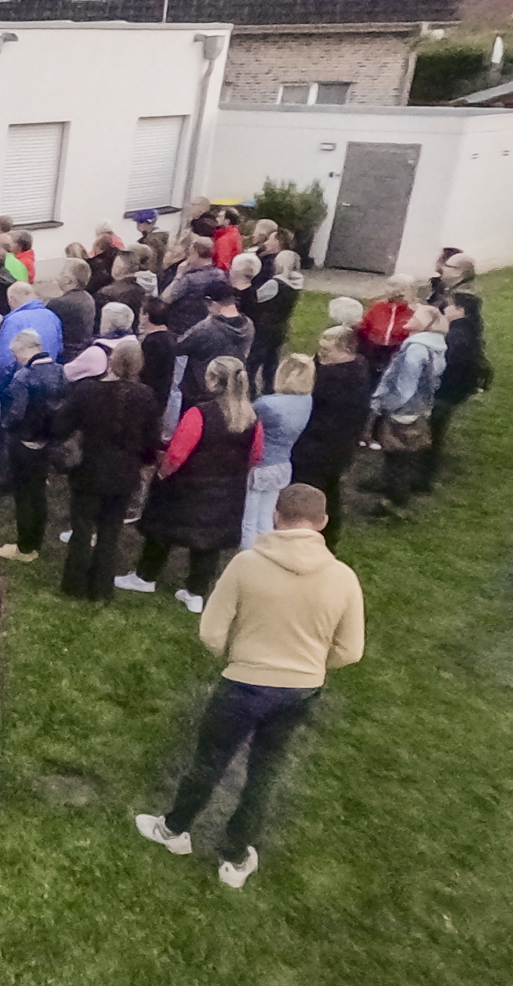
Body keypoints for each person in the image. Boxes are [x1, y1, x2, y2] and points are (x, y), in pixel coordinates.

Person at [134, 484, 364, 889]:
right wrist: (311, 666)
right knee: (265, 771)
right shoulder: (344, 578)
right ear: (323, 523)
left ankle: (174, 830)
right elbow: (350, 650)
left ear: (276, 516)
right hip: (301, 691)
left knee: (210, 760)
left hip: (242, 684)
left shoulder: (246, 565)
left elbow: (211, 632)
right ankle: (235, 856)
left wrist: (238, 656)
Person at [118, 356, 263, 612]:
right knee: (209, 542)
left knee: (161, 531)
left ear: (213, 381)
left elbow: (177, 453)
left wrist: (162, 474)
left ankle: (145, 577)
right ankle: (196, 592)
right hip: (228, 489)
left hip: (186, 485)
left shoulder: (200, 413)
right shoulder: (251, 417)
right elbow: (256, 455)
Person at [53, 343, 160, 600]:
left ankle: (74, 584)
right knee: (110, 532)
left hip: (89, 468)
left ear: (112, 361)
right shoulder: (146, 396)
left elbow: (61, 425)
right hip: (124, 473)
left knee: (82, 528)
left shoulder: (88, 391)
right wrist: (143, 462)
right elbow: (151, 440)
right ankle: (101, 587)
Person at [286, 327, 370, 550]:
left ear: (346, 350)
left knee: (307, 496)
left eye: (326, 351)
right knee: (331, 491)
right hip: (341, 448)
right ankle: (329, 536)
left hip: (317, 448)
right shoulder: (359, 367)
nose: (320, 356)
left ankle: (304, 539)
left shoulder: (334, 381)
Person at [0, 330, 67, 565]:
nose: (15, 358)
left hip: (24, 442)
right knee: (39, 493)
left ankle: (24, 547)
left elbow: (17, 412)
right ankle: (36, 541)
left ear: (25, 350)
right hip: (48, 441)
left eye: (15, 353)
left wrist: (3, 426)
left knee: (24, 495)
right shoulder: (60, 371)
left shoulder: (23, 377)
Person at [368, 305, 449, 512]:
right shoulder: (435, 345)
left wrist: (387, 407)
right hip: (419, 408)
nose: (411, 317)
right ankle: (392, 489)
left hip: (403, 410)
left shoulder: (416, 349)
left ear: (425, 323)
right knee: (403, 454)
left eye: (416, 316)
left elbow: (406, 387)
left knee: (397, 455)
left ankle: (393, 501)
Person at [242, 354, 315, 547]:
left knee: (248, 521)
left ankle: (248, 557)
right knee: (266, 517)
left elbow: (245, 422)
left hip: (261, 465)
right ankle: (269, 552)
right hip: (283, 464)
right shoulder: (307, 400)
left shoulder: (267, 404)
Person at [423, 292, 490, 492]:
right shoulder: (467, 331)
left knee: (432, 429)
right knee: (436, 427)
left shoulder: (457, 337)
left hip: (446, 391)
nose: (446, 308)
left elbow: (447, 364)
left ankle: (424, 475)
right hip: (456, 390)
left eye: (451, 305)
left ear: (461, 311)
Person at [175, 276, 254, 408]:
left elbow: (179, 346)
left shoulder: (206, 328)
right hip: (232, 387)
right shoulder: (249, 325)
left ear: (212, 302)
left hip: (201, 391)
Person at [0, 282, 64, 393]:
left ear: (11, 299)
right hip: (49, 381)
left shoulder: (13, 321)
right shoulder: (52, 316)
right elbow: (60, 350)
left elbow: (2, 360)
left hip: (22, 386)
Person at [242, 250, 303, 394]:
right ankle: (270, 389)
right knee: (272, 361)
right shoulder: (297, 284)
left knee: (253, 362)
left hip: (265, 326)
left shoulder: (275, 284)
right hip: (281, 325)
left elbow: (256, 299)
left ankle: (250, 391)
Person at [161, 237, 224, 337]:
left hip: (183, 326)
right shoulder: (220, 275)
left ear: (195, 254)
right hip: (209, 325)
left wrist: (179, 275)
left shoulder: (189, 279)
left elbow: (166, 298)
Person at [46, 259, 95, 363]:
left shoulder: (59, 304)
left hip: (66, 356)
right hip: (84, 352)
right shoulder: (88, 298)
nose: (59, 276)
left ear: (68, 280)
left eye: (62, 273)